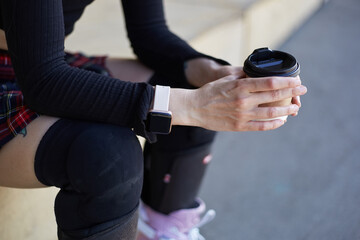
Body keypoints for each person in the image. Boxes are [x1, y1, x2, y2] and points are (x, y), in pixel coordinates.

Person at [0, 0, 307, 239]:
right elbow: (45, 83)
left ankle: (159, 230)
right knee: (107, 156)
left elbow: (149, 33)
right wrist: (196, 106)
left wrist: (211, 73)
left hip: (36, 58)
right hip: (37, 70)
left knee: (190, 88)